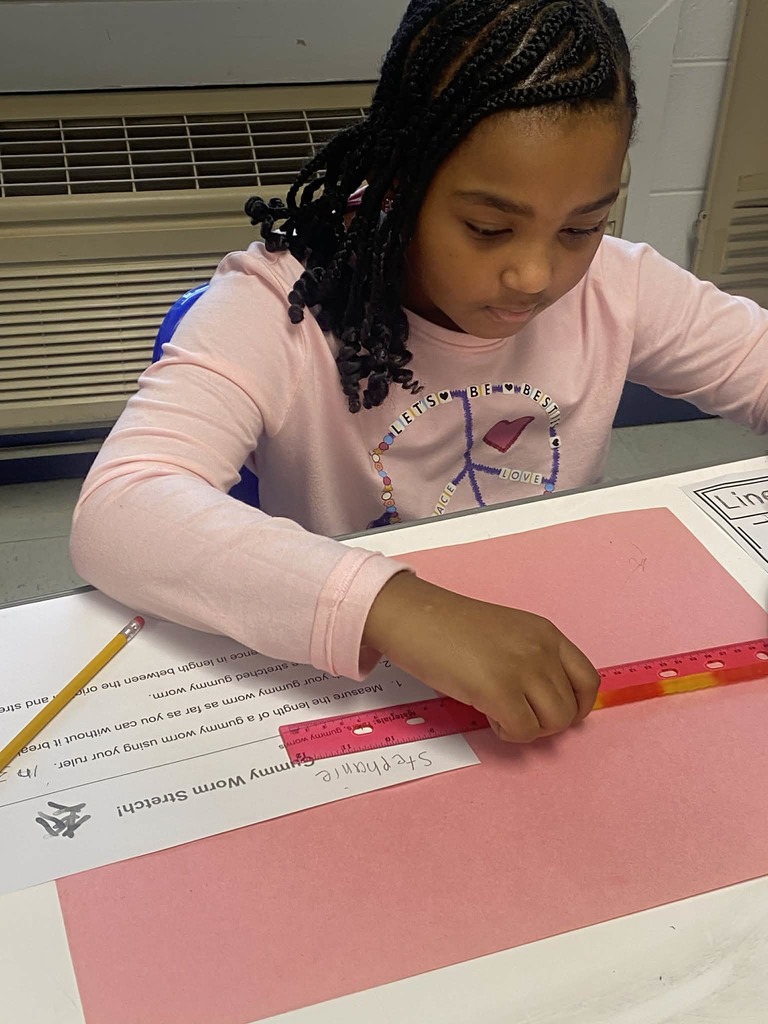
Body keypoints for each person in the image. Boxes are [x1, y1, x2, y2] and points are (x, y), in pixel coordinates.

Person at [70, 0, 768, 744]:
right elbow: (121, 511)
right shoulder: (279, 304)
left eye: (581, 227)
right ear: (399, 182)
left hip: (556, 638)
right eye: (487, 228)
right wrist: (395, 607)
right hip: (353, 686)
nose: (534, 274)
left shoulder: (616, 288)